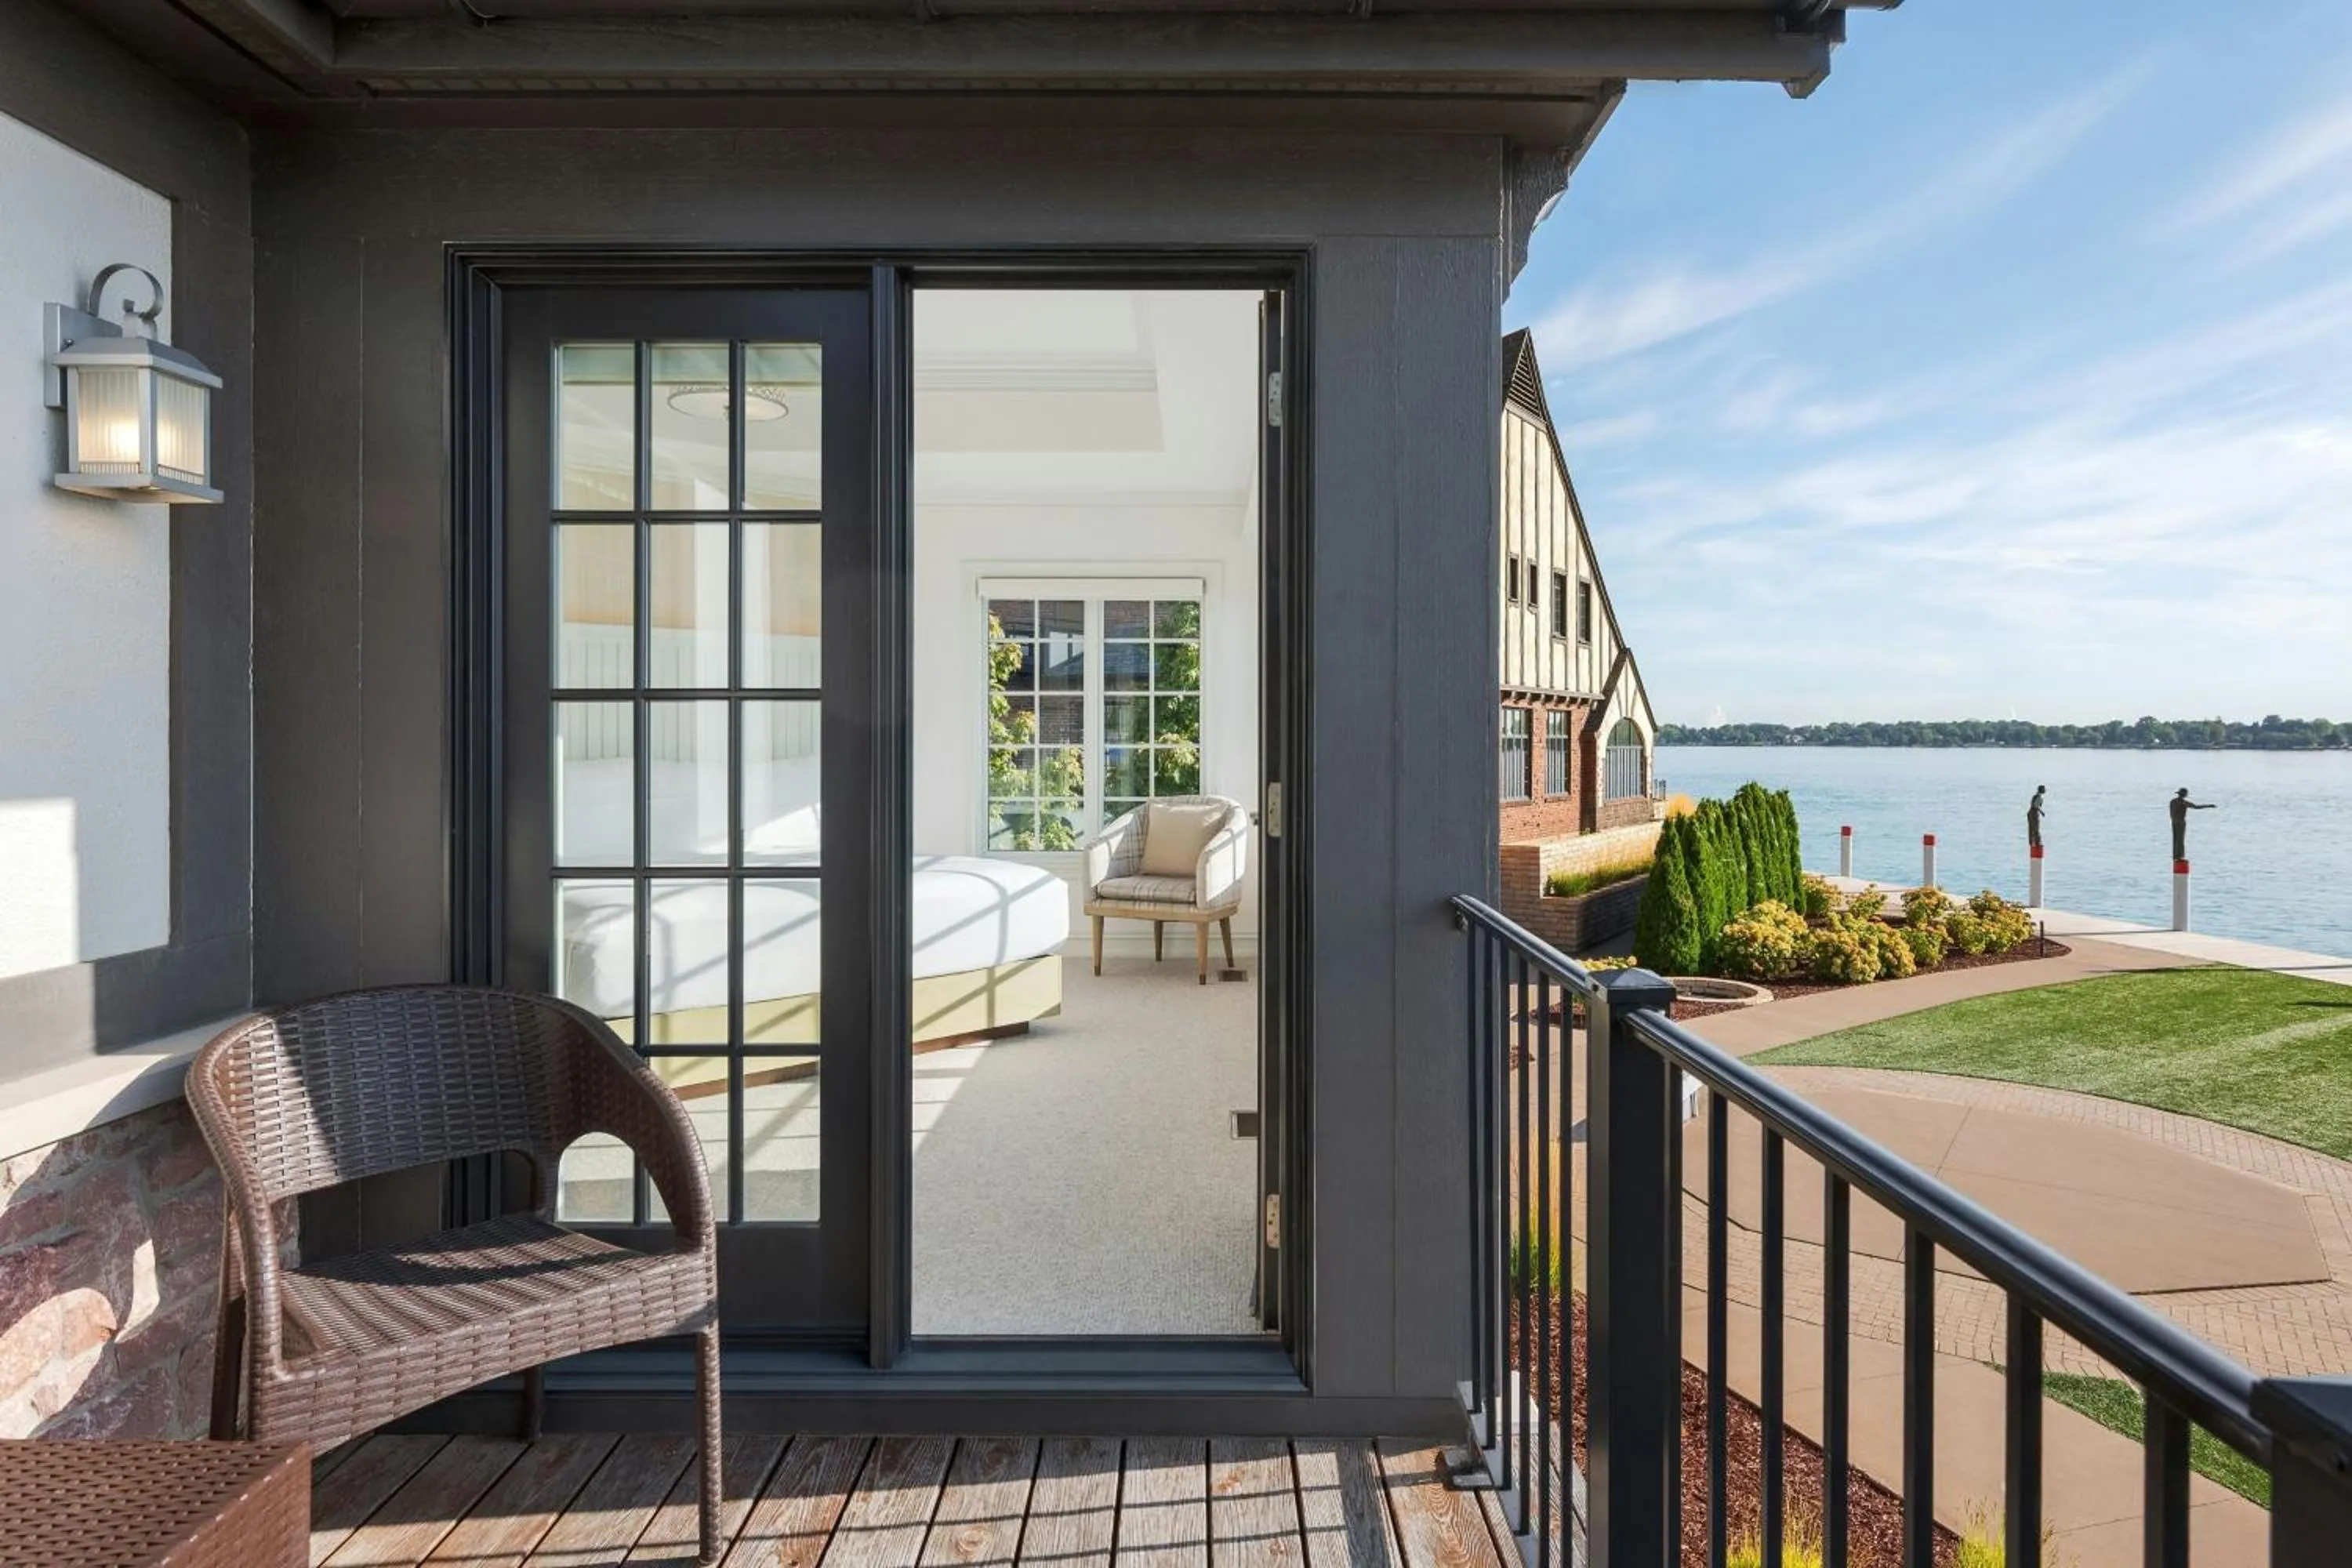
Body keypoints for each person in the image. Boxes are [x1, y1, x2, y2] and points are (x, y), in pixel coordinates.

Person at [2169, 787, 2214, 862]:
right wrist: (2208, 806)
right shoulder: (2183, 802)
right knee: (2180, 839)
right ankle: (2180, 856)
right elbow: (2196, 807)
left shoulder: (2173, 802)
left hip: (2174, 821)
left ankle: (2175, 856)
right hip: (2181, 822)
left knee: (2175, 839)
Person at [2027, 785, 2047, 851]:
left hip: (2030, 812)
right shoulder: (2039, 797)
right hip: (2034, 813)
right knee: (2036, 828)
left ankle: (2032, 842)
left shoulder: (2034, 796)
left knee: (2031, 828)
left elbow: (2032, 804)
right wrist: (2042, 812)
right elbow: (2036, 806)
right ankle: (2038, 843)